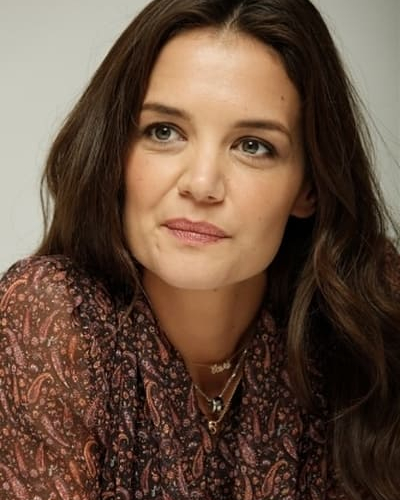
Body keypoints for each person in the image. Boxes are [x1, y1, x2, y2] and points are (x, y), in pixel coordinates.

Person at [0, 0, 399, 498]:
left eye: (252, 145)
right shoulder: (53, 317)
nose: (202, 184)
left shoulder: (366, 319)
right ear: (115, 152)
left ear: (310, 186)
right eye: (164, 132)